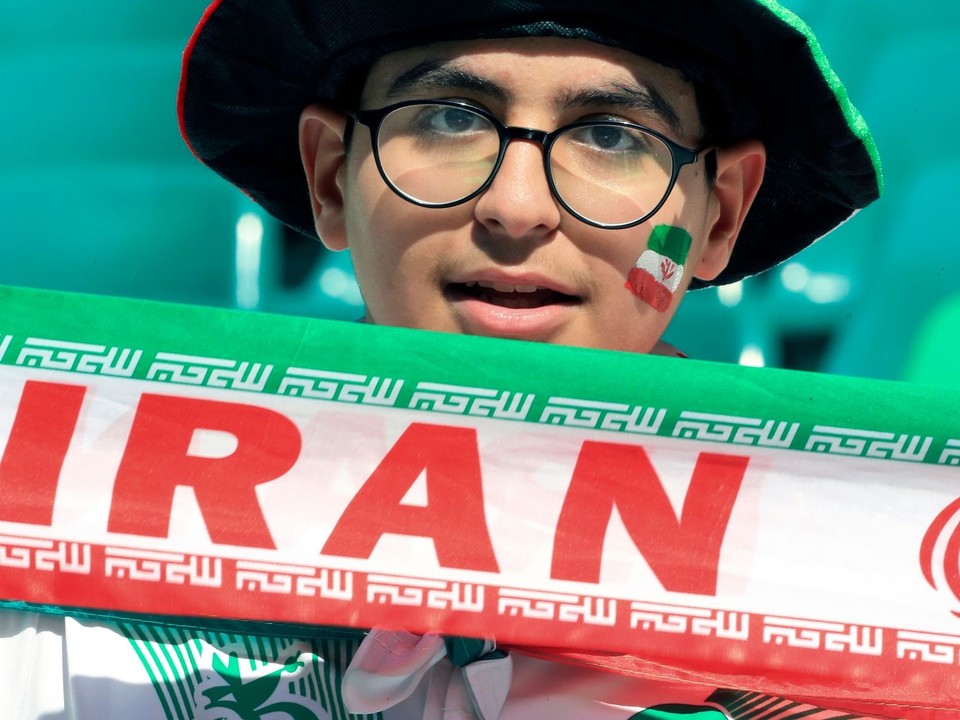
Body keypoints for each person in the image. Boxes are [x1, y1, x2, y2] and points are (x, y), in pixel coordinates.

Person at [0, 1, 883, 718]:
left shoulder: (873, 602)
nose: (517, 206)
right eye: (451, 118)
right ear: (329, 177)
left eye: (612, 134)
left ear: (717, 217)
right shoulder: (52, 560)